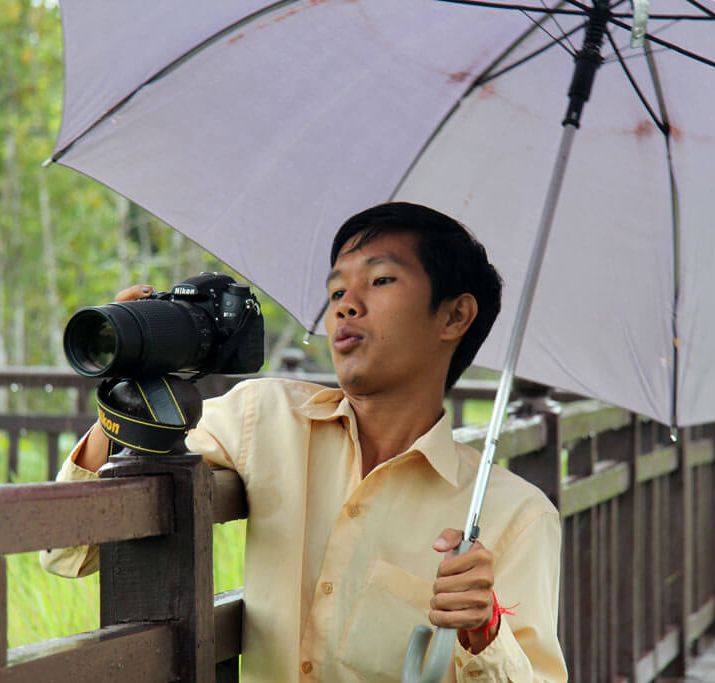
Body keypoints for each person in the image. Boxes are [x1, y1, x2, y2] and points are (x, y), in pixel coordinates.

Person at [41, 202, 566, 682]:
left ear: (454, 316)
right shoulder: (263, 418)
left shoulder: (516, 516)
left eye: (381, 280)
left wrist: (484, 631)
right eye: (337, 291)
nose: (346, 306)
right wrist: (129, 396)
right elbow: (65, 551)